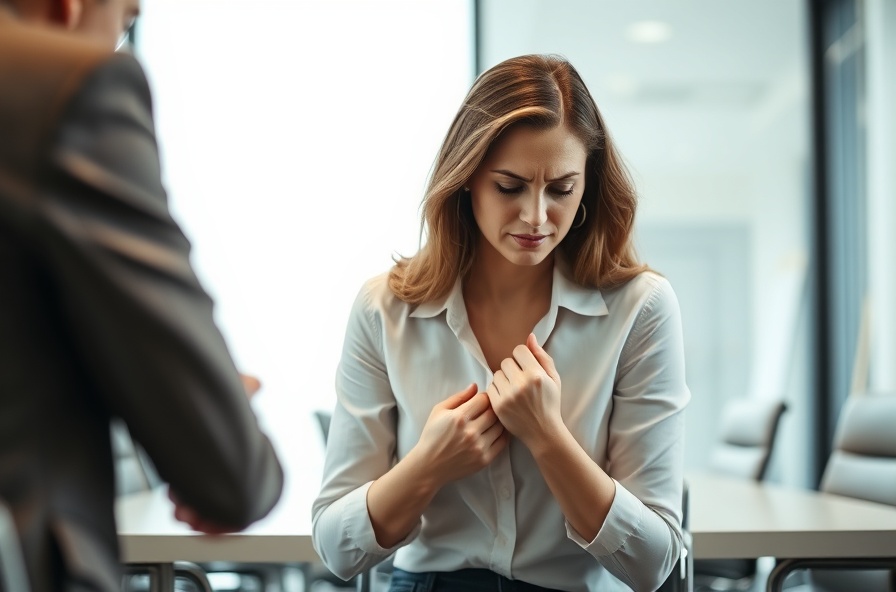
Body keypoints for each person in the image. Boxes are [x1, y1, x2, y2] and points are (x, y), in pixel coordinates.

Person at [312, 54, 690, 592]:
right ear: (465, 179)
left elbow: (653, 563)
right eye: (509, 187)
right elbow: (334, 548)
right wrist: (428, 465)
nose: (536, 217)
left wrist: (547, 437)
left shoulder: (641, 308)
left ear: (588, 184)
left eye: (561, 189)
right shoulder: (384, 309)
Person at [0, 0, 284, 590]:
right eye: (126, 23)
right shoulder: (63, 87)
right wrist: (209, 411)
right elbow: (231, 476)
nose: (118, 44)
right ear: (66, 8)